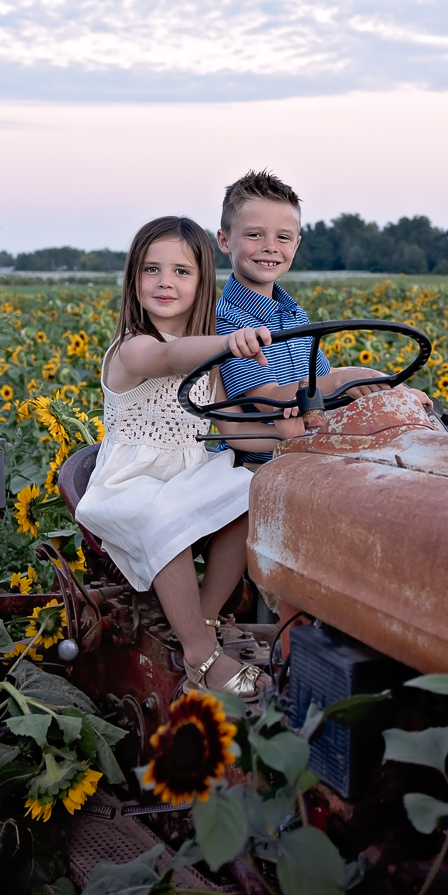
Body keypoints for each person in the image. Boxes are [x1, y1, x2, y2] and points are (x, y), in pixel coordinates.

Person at [73, 215, 293, 698]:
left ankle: (207, 615)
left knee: (254, 486)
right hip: (131, 482)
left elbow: (240, 432)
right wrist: (227, 343)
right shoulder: (133, 349)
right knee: (161, 512)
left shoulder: (211, 366)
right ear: (134, 280)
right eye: (152, 270)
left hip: (187, 472)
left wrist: (291, 440)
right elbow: (170, 359)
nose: (165, 282)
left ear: (202, 282)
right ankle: (199, 651)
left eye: (181, 271)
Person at [213, 169, 390, 464]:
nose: (270, 246)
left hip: (311, 451)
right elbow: (269, 396)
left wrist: (379, 381)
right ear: (224, 240)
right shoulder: (228, 321)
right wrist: (344, 379)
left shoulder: (294, 313)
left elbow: (320, 377)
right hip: (260, 463)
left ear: (295, 245)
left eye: (283, 237)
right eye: (254, 235)